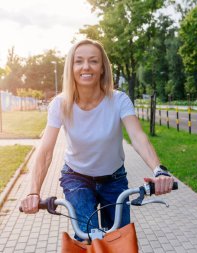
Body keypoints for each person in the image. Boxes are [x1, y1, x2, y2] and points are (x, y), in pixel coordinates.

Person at [20, 39, 174, 240]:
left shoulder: (119, 100)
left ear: (102, 68)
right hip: (77, 178)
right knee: (87, 238)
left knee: (119, 241)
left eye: (93, 61)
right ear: (71, 67)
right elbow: (46, 150)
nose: (86, 67)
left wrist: (159, 170)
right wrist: (33, 192)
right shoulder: (60, 104)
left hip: (114, 179)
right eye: (79, 61)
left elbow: (138, 137)